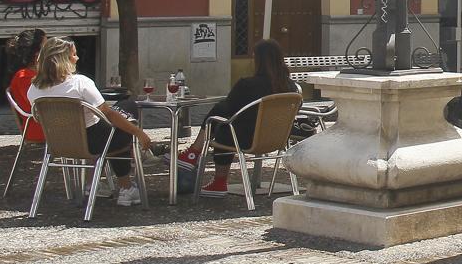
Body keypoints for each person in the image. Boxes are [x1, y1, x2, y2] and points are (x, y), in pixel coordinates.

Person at [27, 37, 153, 206]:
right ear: (64, 59)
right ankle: (126, 188)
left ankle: (99, 186)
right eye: (74, 55)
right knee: (125, 112)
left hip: (59, 143)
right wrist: (139, 132)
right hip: (93, 142)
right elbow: (108, 113)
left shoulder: (33, 89)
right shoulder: (80, 83)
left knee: (114, 128)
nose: (77, 58)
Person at [173, 39, 298, 196]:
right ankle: (194, 155)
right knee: (227, 125)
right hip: (278, 140)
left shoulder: (247, 85)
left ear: (258, 60)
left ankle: (201, 161)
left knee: (222, 125)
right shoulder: (291, 87)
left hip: (245, 140)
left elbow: (227, 108)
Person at [5, 28, 47, 143]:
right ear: (36, 54)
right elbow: (37, 106)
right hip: (40, 128)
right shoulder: (24, 77)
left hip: (48, 124)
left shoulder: (36, 74)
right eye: (46, 46)